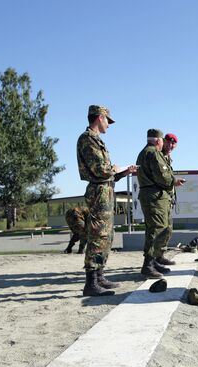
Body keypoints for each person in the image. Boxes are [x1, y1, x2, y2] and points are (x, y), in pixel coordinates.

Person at [77, 105, 137, 297]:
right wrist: (115, 168)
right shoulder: (87, 139)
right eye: (107, 121)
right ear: (99, 118)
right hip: (98, 192)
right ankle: (91, 282)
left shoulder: (97, 140)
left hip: (105, 190)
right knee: (97, 235)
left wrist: (123, 172)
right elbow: (100, 170)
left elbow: (106, 174)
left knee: (106, 235)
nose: (109, 125)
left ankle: (99, 275)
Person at [136, 129, 185, 278]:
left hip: (155, 195)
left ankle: (154, 261)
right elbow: (162, 177)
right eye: (164, 140)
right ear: (158, 140)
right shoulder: (153, 153)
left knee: (161, 228)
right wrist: (173, 181)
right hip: (154, 196)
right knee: (155, 229)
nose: (166, 144)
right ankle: (148, 265)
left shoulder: (147, 152)